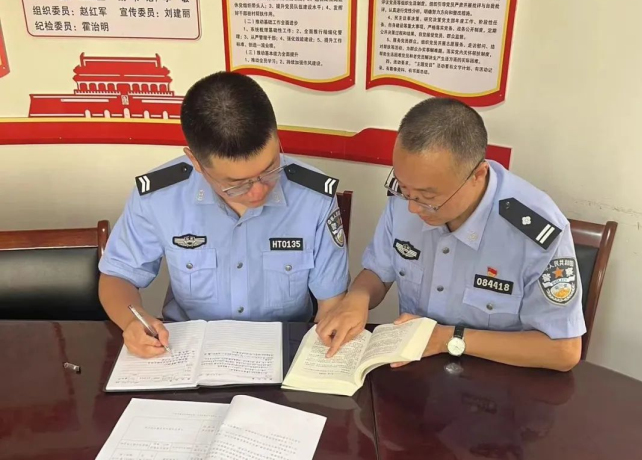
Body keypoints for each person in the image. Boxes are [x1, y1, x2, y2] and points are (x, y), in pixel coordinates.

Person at [317, 98, 585, 371]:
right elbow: (378, 271)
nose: (412, 207)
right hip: (414, 371)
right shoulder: (407, 196)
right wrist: (357, 299)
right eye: (405, 189)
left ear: (477, 175)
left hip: (497, 379)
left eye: (428, 197)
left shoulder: (533, 230)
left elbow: (563, 351)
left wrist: (447, 339)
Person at [99, 72, 349, 358]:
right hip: (187, 352)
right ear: (196, 162)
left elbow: (332, 303)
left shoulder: (313, 197)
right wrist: (133, 322)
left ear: (276, 137)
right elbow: (117, 276)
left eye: (270, 169)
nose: (258, 191)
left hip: (282, 350)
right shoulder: (160, 197)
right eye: (236, 184)